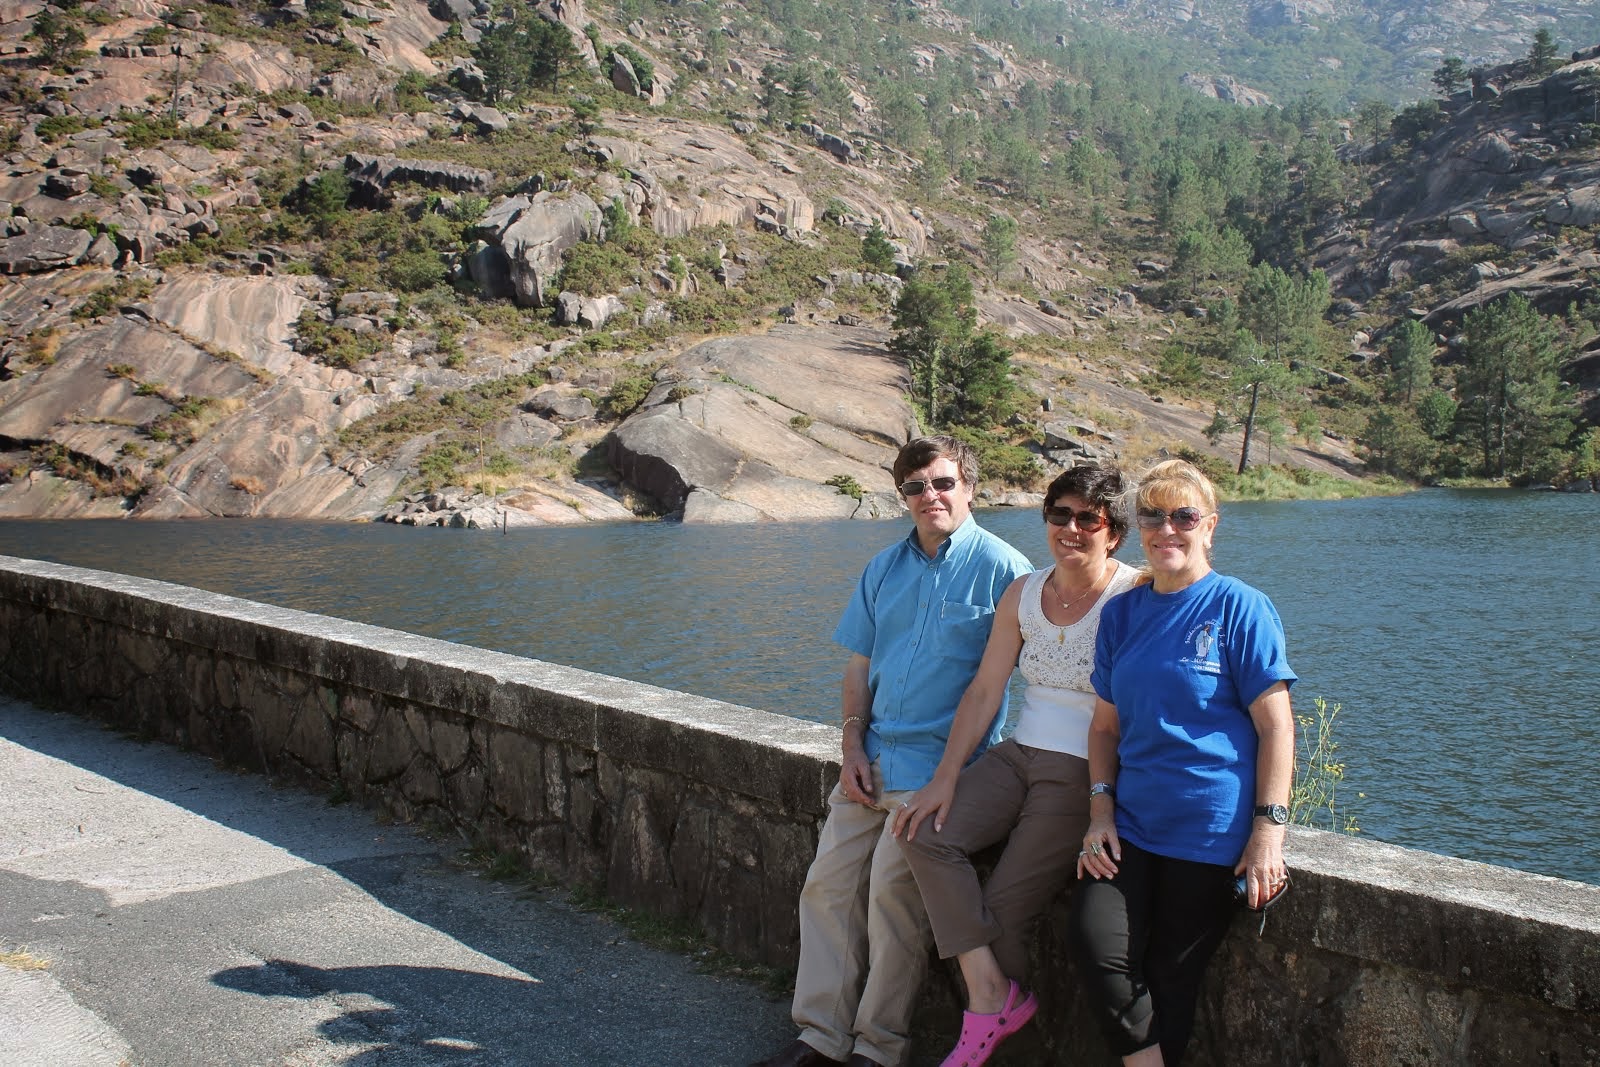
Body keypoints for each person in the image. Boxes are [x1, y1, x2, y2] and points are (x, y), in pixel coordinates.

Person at [752, 435, 1031, 1067]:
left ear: (969, 488)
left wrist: (954, 778)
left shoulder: (1006, 572)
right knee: (824, 891)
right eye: (915, 486)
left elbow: (993, 691)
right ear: (901, 494)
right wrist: (850, 741)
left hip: (936, 771)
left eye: (943, 483)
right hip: (872, 760)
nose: (930, 495)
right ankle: (819, 1040)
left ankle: (878, 1050)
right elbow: (859, 666)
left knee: (890, 900)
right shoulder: (883, 568)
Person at [891, 462, 1138, 1067]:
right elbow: (984, 689)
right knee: (922, 832)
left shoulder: (1134, 596)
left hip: (1079, 770)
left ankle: (1000, 1039)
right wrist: (944, 778)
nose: (1071, 529)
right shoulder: (1024, 591)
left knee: (1002, 910)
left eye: (1089, 519)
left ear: (1114, 531)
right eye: (1060, 515)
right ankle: (993, 995)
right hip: (1018, 754)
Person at [1070, 458, 1297, 1066]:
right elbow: (1104, 726)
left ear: (1210, 525)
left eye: (1183, 515)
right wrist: (1100, 810)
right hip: (1132, 826)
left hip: (1209, 832)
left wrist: (1268, 831)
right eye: (1152, 516)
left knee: (1173, 975)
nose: (1167, 528)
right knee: (1099, 948)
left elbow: (1276, 725)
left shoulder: (1241, 608)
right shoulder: (1121, 613)